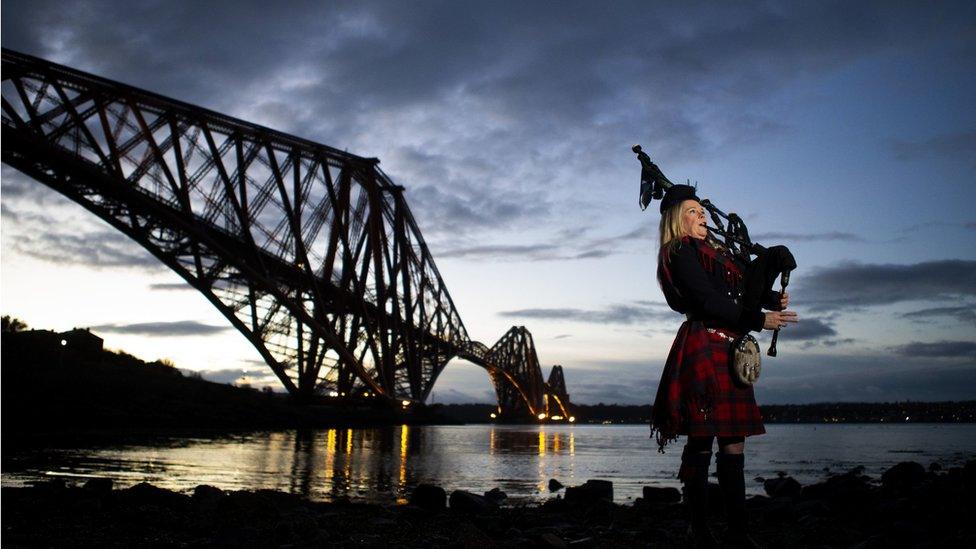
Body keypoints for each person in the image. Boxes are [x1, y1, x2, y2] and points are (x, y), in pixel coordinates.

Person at [649, 184, 798, 549]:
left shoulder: (717, 253)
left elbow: (740, 289)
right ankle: (698, 530)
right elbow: (706, 299)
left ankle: (738, 533)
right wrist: (759, 319)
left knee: (734, 443)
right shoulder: (679, 251)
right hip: (704, 344)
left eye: (702, 211)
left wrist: (769, 290)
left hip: (731, 350)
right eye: (692, 212)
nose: (702, 217)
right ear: (675, 220)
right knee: (701, 440)